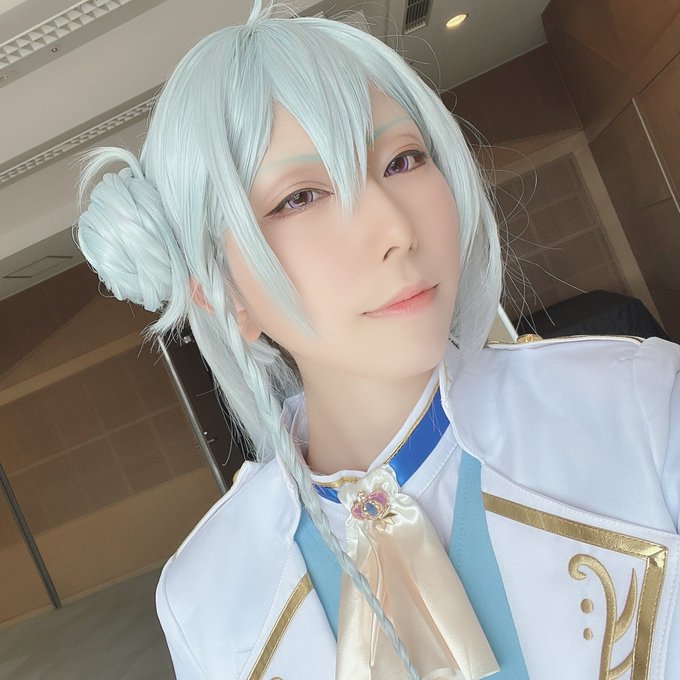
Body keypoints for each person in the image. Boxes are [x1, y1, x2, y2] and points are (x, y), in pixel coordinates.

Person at [75, 2, 680, 678]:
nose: (395, 228)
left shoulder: (640, 407)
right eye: (300, 197)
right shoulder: (207, 598)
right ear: (224, 295)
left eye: (403, 160)